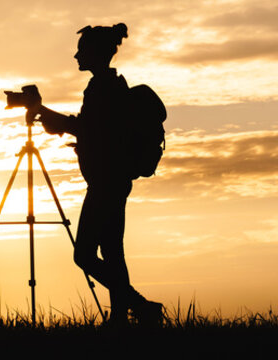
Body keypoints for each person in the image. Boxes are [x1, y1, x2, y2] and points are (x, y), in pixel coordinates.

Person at [27, 23, 164, 325]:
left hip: (106, 183)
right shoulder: (108, 85)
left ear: (95, 53)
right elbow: (94, 130)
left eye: (81, 50)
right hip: (112, 181)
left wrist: (44, 112)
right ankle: (120, 319)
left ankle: (139, 307)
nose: (76, 56)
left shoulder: (103, 87)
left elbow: (87, 128)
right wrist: (53, 119)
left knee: (84, 256)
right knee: (113, 253)